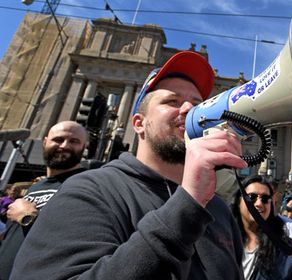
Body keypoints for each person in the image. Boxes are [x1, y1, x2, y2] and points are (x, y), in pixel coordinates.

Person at [10, 51, 247, 279]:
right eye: (172, 101)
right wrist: (188, 204)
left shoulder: (218, 210)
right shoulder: (89, 191)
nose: (188, 110)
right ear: (139, 124)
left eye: (197, 104)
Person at [0, 120, 88, 279]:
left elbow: (78, 241)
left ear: (84, 147)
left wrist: (28, 218)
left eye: (74, 141)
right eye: (58, 139)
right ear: (45, 141)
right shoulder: (36, 186)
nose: (64, 145)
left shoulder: (87, 185)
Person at [230, 175, 292, 280]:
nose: (259, 203)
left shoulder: (288, 252)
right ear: (238, 201)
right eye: (252, 197)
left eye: (265, 199)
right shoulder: (221, 241)